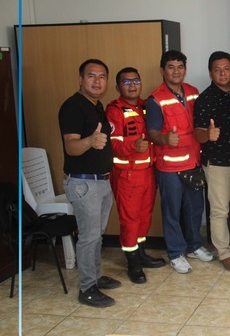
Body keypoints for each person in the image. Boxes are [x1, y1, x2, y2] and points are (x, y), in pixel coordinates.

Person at [59, 59, 121, 308]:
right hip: (84, 183)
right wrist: (90, 141)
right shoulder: (73, 107)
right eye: (91, 76)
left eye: (102, 76)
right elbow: (71, 146)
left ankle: (95, 277)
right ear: (80, 79)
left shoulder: (96, 107)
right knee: (88, 237)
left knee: (97, 235)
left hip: (101, 181)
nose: (97, 81)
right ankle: (87, 288)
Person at [146, 50, 214, 274]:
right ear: (162, 70)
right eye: (171, 67)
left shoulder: (193, 92)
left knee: (195, 209)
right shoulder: (156, 99)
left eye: (180, 67)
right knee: (172, 211)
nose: (176, 71)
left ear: (185, 69)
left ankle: (194, 246)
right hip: (169, 167)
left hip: (193, 163)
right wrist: (165, 138)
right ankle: (176, 253)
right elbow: (152, 132)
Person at [194, 51, 230, 273]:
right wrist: (207, 135)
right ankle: (224, 253)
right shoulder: (204, 99)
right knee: (220, 211)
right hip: (217, 162)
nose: (222, 73)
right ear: (211, 72)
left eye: (226, 68)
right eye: (217, 69)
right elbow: (197, 132)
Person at [106, 67, 166, 284]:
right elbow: (112, 143)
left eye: (136, 81)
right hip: (127, 176)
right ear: (118, 87)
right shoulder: (114, 111)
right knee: (129, 221)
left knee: (144, 217)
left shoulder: (145, 106)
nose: (132, 85)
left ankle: (141, 254)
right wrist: (133, 145)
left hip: (148, 173)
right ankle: (133, 264)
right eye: (127, 82)